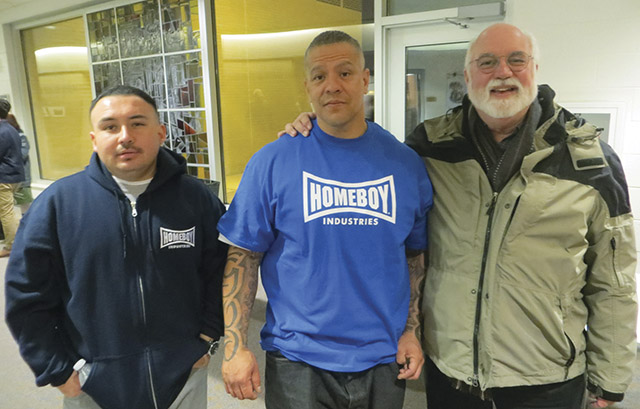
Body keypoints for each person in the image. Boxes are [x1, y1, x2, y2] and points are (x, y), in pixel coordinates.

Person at [282, 23, 637, 409]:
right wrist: (318, 124)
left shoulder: (590, 163)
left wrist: (609, 382)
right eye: (487, 62)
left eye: (516, 60)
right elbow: (364, 159)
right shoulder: (430, 146)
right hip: (450, 375)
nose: (502, 72)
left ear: (535, 69)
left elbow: (614, 281)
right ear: (468, 76)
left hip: (545, 378)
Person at [218, 30, 433, 409]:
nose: (332, 85)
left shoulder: (405, 164)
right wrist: (235, 346)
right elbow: (243, 257)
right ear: (307, 87)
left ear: (365, 80)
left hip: (382, 357)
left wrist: (412, 330)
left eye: (345, 73)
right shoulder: (272, 162)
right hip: (298, 360)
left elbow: (414, 257)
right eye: (319, 76)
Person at [5, 85, 228, 409]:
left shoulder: (197, 199)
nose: (125, 136)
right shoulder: (58, 205)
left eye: (137, 123)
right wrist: (57, 369)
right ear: (95, 139)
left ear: (160, 132)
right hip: (92, 384)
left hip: (183, 377)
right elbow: (26, 295)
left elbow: (221, 271)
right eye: (110, 126)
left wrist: (206, 340)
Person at [0, 98, 25, 257]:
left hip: (4, 177)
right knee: (11, 210)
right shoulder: (11, 128)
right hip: (15, 175)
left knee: (6, 211)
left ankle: (12, 246)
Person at [5, 113, 33, 214]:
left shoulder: (21, 136)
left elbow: (22, 154)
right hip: (9, 179)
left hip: (21, 179)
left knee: (25, 205)